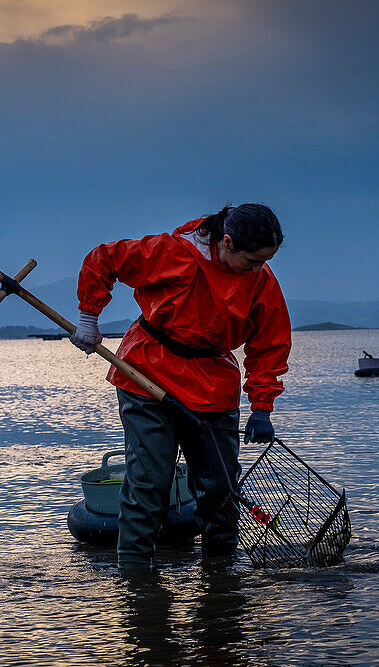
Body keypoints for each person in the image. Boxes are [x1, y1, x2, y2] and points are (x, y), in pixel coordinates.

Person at [70, 204, 292, 568]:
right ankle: (136, 577)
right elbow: (104, 259)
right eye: (251, 261)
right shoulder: (171, 253)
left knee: (221, 488)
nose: (257, 269)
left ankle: (220, 575)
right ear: (227, 241)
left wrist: (262, 406)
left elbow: (270, 345)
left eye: (263, 262)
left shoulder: (262, 281)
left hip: (213, 385)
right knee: (149, 482)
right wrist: (88, 317)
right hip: (147, 373)